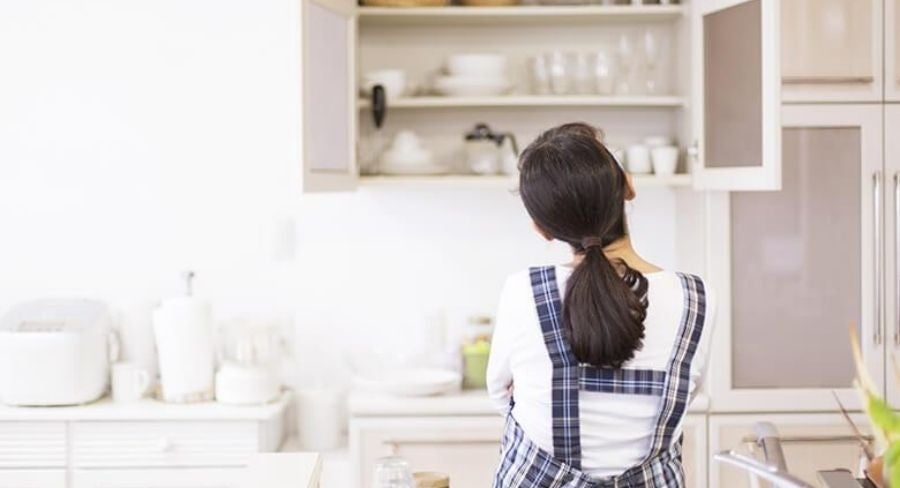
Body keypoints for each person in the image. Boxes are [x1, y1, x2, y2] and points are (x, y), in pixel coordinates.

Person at [487, 122, 715, 488]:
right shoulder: (697, 297)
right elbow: (688, 392)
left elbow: (501, 394)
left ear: (541, 229)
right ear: (629, 186)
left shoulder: (523, 291)